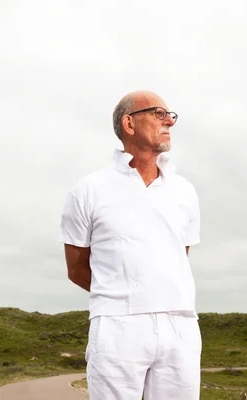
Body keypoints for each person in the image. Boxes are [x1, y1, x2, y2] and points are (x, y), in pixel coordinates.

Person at [59, 90, 202, 399]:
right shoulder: (88, 190)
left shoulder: (184, 191)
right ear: (129, 123)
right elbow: (76, 268)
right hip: (117, 326)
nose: (169, 122)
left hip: (181, 326)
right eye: (159, 114)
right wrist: (124, 296)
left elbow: (179, 256)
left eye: (170, 116)